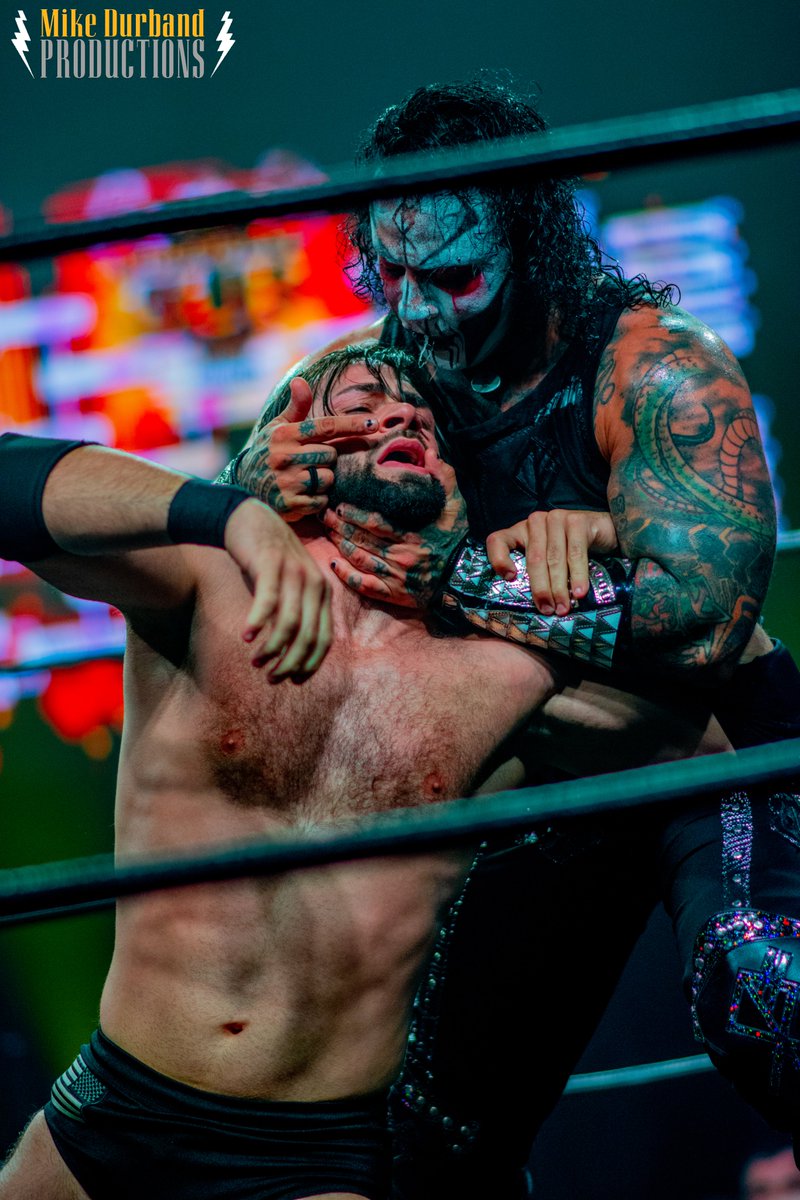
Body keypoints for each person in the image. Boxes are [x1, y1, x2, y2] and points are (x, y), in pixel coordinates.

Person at [221, 80, 800, 1195]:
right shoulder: (355, 387)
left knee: (767, 994)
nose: (421, 308)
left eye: (454, 275)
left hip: (709, 752)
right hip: (541, 771)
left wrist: (455, 568)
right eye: (392, 273)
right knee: (431, 1137)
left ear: (532, 242)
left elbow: (701, 628)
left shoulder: (653, 373)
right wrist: (248, 499)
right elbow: (241, 567)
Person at [0, 344, 728, 1200]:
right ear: (296, 441)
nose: (405, 413)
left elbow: (715, 742)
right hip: (114, 1108)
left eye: (424, 411)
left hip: (313, 1155)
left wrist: (588, 545)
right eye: (365, 398)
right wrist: (231, 514)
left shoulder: (501, 673)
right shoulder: (202, 582)